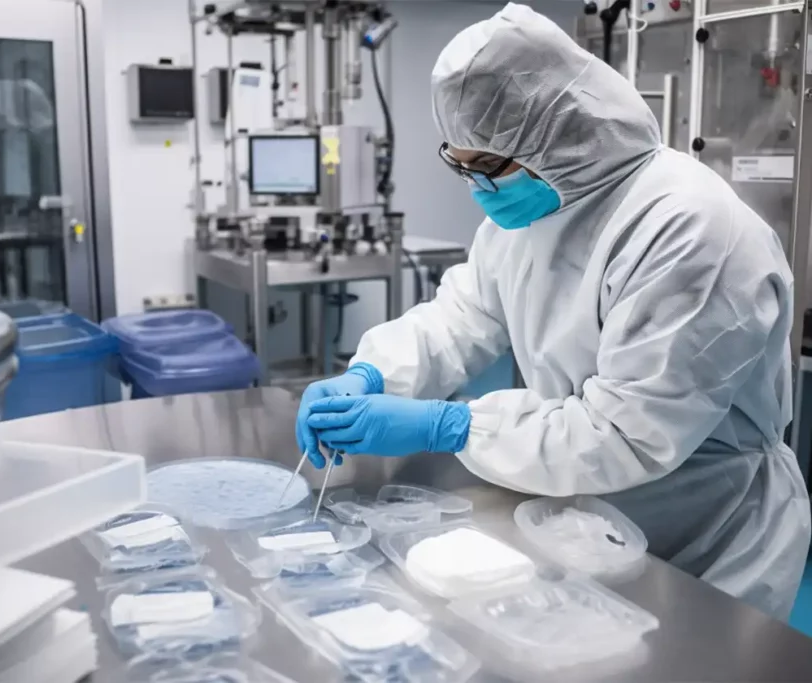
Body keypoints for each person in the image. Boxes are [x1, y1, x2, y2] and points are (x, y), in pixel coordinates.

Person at [295, 2, 811, 619]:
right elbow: (464, 314)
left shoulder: (691, 232)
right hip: (588, 515)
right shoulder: (541, 204)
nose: (476, 186)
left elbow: (622, 433)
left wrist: (451, 425)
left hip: (708, 526)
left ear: (561, 135)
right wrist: (371, 373)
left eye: (487, 165)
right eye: (459, 162)